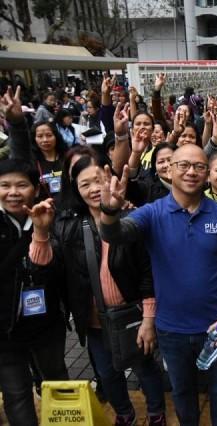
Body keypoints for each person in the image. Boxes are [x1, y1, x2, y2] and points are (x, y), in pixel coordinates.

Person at [99, 144, 217, 426]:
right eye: (183, 165)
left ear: (206, 174)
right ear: (169, 169)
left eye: (199, 166)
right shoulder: (151, 213)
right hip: (171, 329)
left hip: (216, 327)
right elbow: (114, 234)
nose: (191, 172)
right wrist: (109, 210)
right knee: (181, 391)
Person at [44, 156, 166, 426]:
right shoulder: (69, 226)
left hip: (133, 316)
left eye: (99, 180)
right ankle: (124, 413)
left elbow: (147, 273)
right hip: (95, 321)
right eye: (84, 183)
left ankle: (156, 412)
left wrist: (148, 318)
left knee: (145, 368)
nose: (94, 188)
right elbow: (58, 271)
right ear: (75, 188)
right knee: (107, 374)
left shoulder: (132, 221)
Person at [0, 159, 69, 426]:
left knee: (57, 385)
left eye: (21, 185)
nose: (13, 192)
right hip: (4, 332)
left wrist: (40, 231)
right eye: (5, 185)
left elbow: (50, 272)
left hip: (46, 326)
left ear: (35, 188)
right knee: (16, 395)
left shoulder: (53, 217)